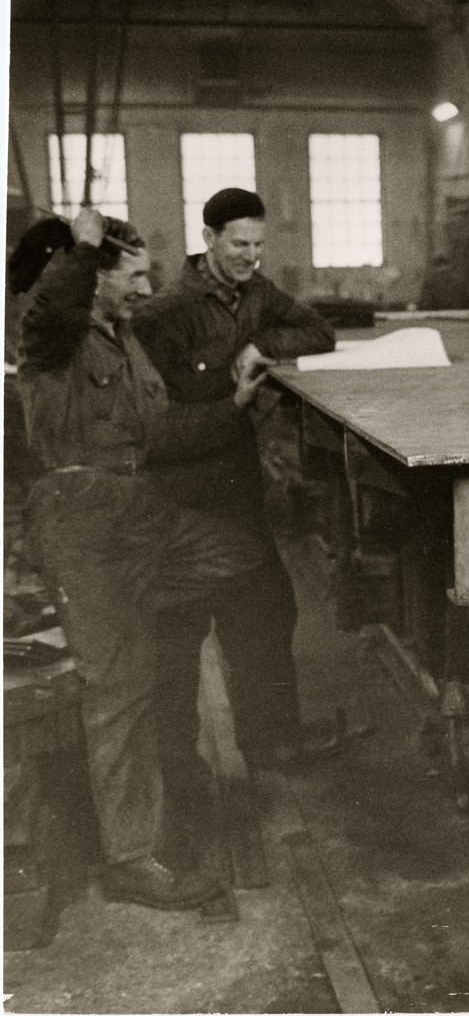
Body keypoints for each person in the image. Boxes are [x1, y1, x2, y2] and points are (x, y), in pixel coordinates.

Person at [17, 208, 270, 909]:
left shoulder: (124, 342)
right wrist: (82, 248)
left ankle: (122, 618)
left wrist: (236, 404)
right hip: (79, 513)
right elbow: (51, 311)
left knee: (244, 553)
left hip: (138, 510)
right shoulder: (54, 341)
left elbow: (161, 432)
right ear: (94, 278)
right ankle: (131, 858)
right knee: (120, 689)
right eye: (131, 276)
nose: (146, 287)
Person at [133, 189, 335, 777]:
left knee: (266, 610)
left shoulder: (256, 294)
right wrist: (234, 404)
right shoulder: (164, 315)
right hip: (180, 496)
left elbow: (318, 331)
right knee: (179, 631)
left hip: (235, 487)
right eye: (239, 243)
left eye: (258, 244)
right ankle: (178, 768)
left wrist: (260, 343)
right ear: (209, 240)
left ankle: (271, 744)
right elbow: (157, 429)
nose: (251, 255)